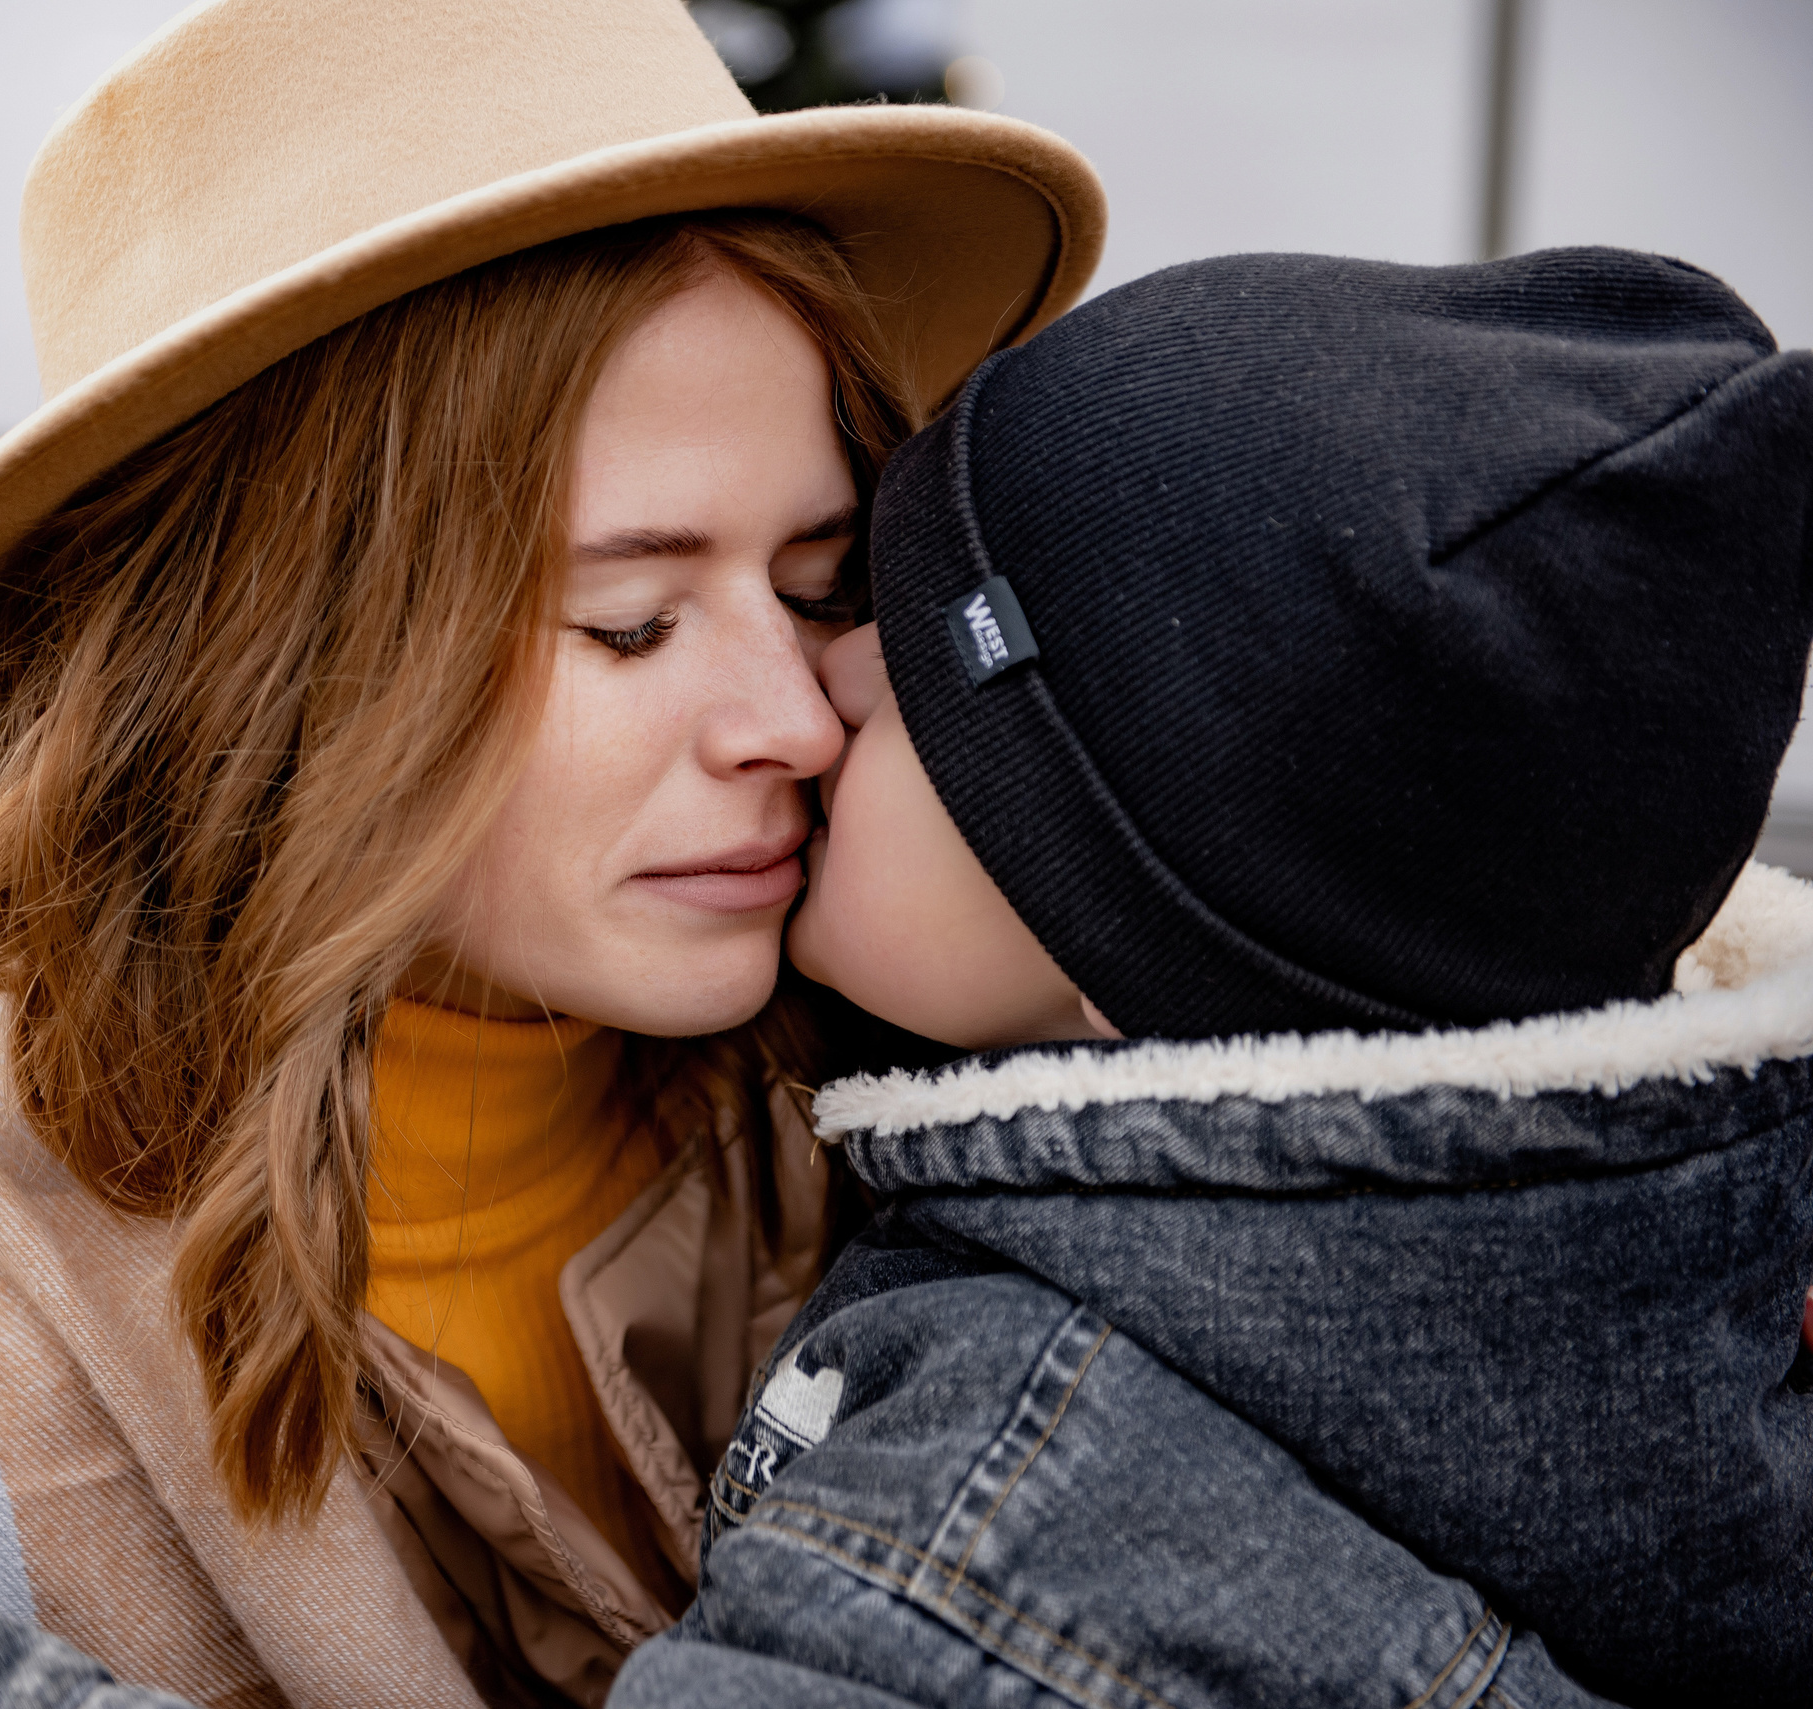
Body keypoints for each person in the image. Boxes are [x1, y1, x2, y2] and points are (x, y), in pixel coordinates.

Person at [0, 1, 1105, 1706]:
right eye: (630, 620)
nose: (794, 720)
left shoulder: (939, 1101)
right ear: (271, 662)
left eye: (817, 583)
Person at [630, 246, 1813, 1708]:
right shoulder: (1700, 1372)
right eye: (855, 590)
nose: (830, 686)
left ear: (1132, 953)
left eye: (935, 685)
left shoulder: (973, 1549)